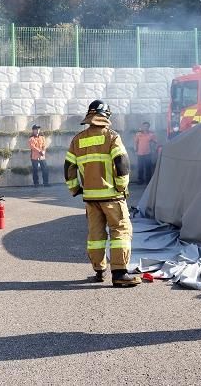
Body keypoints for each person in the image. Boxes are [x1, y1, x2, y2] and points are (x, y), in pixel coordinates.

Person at [64, 100, 141, 287]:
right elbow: (122, 163)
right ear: (105, 116)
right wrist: (121, 187)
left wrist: (75, 188)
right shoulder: (112, 137)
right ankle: (120, 274)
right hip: (112, 196)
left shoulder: (77, 140)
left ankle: (99, 271)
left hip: (91, 198)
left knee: (95, 235)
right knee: (120, 231)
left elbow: (68, 168)